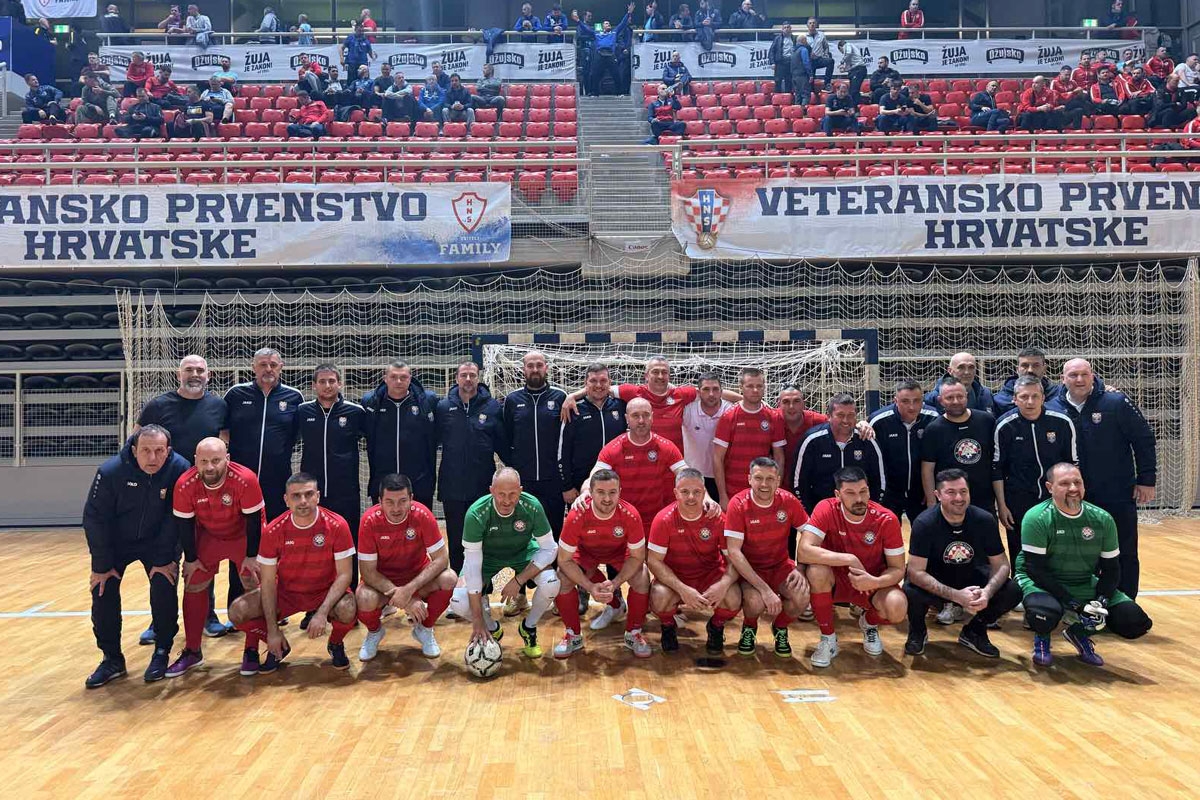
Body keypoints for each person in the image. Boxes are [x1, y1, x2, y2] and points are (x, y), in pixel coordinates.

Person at [83, 425, 190, 688]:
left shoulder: (180, 469)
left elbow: (176, 516)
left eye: (159, 451)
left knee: (164, 584)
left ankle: (162, 651)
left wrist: (164, 559)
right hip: (116, 542)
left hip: (158, 541)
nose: (152, 458)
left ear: (168, 451)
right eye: (145, 451)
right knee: (103, 588)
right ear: (134, 450)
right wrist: (102, 565)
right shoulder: (111, 472)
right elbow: (95, 518)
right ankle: (111, 659)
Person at [1016, 463, 1153, 667]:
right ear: (1049, 487)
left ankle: (1078, 633)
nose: (1073, 488)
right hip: (1040, 581)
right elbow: (1036, 570)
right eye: (1064, 483)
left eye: (1077, 482)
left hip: (1082, 581)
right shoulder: (1036, 517)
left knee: (1135, 621)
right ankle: (1042, 638)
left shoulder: (1102, 519)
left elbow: (1112, 569)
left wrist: (1100, 602)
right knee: (1043, 614)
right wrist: (1077, 606)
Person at [1047, 359, 1155, 598]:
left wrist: (1147, 479)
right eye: (1073, 375)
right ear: (1062, 379)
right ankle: (1086, 601)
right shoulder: (1052, 407)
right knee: (1079, 550)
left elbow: (1144, 439)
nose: (1079, 380)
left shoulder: (1115, 402)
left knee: (1124, 548)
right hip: (1073, 496)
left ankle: (1125, 601)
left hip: (1116, 491)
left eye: (1084, 374)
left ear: (1093, 375)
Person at [229, 474, 358, 672]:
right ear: (286, 500)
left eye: (309, 494)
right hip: (286, 593)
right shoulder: (273, 530)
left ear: (318, 496)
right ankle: (278, 645)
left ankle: (336, 644)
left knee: (349, 608)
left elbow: (345, 575)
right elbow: (268, 582)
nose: (303, 501)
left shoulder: (337, 525)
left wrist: (322, 613)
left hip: (323, 592)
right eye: (296, 496)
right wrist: (272, 631)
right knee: (237, 610)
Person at [165, 438, 265, 678]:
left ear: (227, 459)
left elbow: (254, 522)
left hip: (244, 534)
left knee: (253, 582)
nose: (209, 467)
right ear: (195, 461)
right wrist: (191, 559)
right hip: (210, 534)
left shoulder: (246, 479)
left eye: (216, 460)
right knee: (193, 580)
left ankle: (251, 649)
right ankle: (192, 651)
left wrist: (252, 556)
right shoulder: (184, 484)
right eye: (204, 461)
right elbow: (185, 526)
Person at [904, 469, 1022, 657]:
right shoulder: (925, 523)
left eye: (963, 491)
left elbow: (1001, 565)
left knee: (1012, 590)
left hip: (971, 577)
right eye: (951, 492)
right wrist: (956, 596)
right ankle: (917, 631)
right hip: (937, 578)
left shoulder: (984, 519)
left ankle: (975, 631)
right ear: (938, 495)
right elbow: (915, 572)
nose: (958, 498)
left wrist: (987, 592)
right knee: (911, 590)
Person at [798, 467, 907, 667]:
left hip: (870, 580)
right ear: (838, 495)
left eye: (863, 491)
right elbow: (804, 551)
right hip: (836, 579)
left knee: (898, 607)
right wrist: (849, 559)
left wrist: (875, 581)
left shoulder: (887, 519)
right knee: (816, 571)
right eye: (850, 493)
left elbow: (898, 569)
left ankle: (869, 623)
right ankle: (828, 639)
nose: (859, 499)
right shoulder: (826, 508)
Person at [448, 468, 561, 659]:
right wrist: (477, 620)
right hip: (486, 557)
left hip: (523, 552)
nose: (507, 501)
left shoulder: (532, 506)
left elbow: (550, 549)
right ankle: (491, 628)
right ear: (491, 490)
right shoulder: (476, 513)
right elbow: (473, 567)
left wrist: (518, 580)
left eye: (513, 494)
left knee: (552, 582)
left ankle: (529, 627)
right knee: (458, 601)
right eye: (501, 494)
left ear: (521, 491)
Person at [553, 469, 653, 658]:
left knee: (642, 576)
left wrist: (615, 583)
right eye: (600, 492)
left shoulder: (630, 514)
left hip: (619, 552)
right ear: (590, 492)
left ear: (620, 492)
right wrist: (590, 587)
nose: (607, 499)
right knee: (562, 578)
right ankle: (573, 636)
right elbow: (564, 560)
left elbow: (637, 557)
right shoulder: (577, 514)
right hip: (586, 553)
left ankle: (633, 633)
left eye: (612, 492)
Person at [356, 473, 457, 660]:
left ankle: (424, 629)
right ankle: (374, 632)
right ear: (379, 501)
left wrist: (409, 590)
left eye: (402, 501)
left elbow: (442, 559)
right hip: (383, 583)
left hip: (416, 578)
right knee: (363, 597)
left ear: (411, 499)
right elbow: (367, 572)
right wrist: (405, 600)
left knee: (449, 578)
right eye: (389, 502)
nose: (396, 508)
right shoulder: (369, 521)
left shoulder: (422, 515)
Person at [647, 469, 740, 655]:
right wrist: (682, 589)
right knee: (658, 596)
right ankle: (668, 626)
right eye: (685, 492)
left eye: (697, 492)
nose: (691, 497)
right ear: (676, 493)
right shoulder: (663, 519)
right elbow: (654, 562)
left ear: (704, 492)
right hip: (676, 577)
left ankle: (716, 626)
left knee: (734, 596)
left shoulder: (718, 518)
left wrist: (723, 585)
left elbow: (735, 560)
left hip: (710, 575)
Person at [724, 458, 810, 658]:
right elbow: (734, 552)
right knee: (755, 602)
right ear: (749, 479)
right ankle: (749, 628)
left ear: (778, 480)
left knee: (802, 596)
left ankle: (780, 627)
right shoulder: (738, 504)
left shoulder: (788, 500)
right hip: (750, 569)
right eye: (758, 478)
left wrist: (801, 568)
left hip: (780, 566)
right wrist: (765, 590)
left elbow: (810, 534)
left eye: (770, 479)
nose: (764, 484)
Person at [560, 355, 726, 454]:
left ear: (669, 375)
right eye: (655, 372)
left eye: (664, 372)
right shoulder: (633, 392)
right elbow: (600, 388)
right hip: (641, 461)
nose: (660, 376)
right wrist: (572, 396)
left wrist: (740, 399)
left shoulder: (681, 394)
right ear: (646, 375)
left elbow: (711, 392)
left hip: (672, 462)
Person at [993, 376, 1078, 565]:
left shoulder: (1062, 422)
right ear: (1015, 399)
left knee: (1057, 551)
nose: (1030, 402)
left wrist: (1072, 498)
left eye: (1035, 396)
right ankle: (1022, 584)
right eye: (1024, 397)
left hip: (1055, 498)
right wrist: (1002, 505)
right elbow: (997, 469)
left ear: (1043, 397)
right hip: (1018, 500)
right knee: (1021, 554)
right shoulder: (1004, 426)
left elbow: (1072, 465)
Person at [435, 362, 509, 572]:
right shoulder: (443, 407)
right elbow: (430, 442)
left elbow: (503, 446)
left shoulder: (492, 407)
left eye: (472, 375)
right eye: (464, 375)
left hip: (482, 487)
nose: (468, 379)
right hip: (452, 488)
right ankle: (459, 585)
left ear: (478, 378)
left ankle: (485, 587)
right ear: (456, 378)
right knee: (456, 541)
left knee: (484, 539)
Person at [298, 365, 366, 585]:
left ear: (340, 383)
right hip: (312, 494)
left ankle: (350, 592)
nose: (327, 386)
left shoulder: (356, 412)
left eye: (331, 381)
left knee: (348, 543)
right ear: (314, 385)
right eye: (322, 381)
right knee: (314, 544)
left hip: (346, 492)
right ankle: (314, 594)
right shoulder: (303, 412)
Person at [224, 347, 303, 522]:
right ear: (253, 367)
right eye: (263, 365)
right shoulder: (236, 393)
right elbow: (223, 429)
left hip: (278, 476)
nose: (268, 369)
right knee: (239, 521)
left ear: (281, 367)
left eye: (273, 365)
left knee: (275, 521)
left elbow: (297, 434)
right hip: (239, 475)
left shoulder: (294, 396)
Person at [502, 351, 567, 556]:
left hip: (553, 480)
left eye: (539, 365)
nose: (535, 369)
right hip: (524, 482)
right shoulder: (512, 400)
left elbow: (567, 438)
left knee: (554, 531)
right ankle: (525, 572)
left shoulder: (560, 397)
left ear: (546, 368)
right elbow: (506, 438)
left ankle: (552, 571)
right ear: (524, 369)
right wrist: (515, 466)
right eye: (530, 366)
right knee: (522, 531)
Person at [361, 360, 438, 509]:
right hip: (383, 483)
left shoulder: (427, 401)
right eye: (393, 377)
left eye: (403, 377)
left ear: (410, 379)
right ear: (385, 379)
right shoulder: (371, 402)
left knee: (419, 523)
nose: (398, 381)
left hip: (419, 483)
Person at [793, 393, 885, 512]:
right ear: (829, 416)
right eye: (840, 415)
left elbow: (880, 482)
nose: (846, 420)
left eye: (851, 415)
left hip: (859, 512)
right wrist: (811, 513)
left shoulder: (868, 441)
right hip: (822, 513)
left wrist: (871, 511)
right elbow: (799, 483)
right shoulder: (812, 441)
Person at [713, 368, 786, 509]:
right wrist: (722, 496)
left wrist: (776, 488)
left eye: (759, 386)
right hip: (733, 491)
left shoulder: (774, 417)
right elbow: (718, 458)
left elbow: (779, 458)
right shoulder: (728, 417)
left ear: (764, 387)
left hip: (763, 490)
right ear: (741, 387)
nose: (755, 390)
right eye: (750, 386)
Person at [921, 377, 996, 514]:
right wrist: (931, 502)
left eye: (960, 397)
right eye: (950, 398)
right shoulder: (933, 430)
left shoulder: (987, 421)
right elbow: (927, 469)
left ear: (966, 396)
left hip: (984, 499)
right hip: (950, 501)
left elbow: (995, 461)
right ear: (940, 400)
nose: (956, 401)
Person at [869, 379, 938, 524]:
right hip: (889, 493)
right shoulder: (879, 421)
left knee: (925, 532)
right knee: (888, 533)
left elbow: (940, 457)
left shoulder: (933, 418)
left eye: (916, 401)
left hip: (922, 492)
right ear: (895, 401)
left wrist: (932, 489)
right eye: (905, 401)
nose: (912, 407)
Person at [558, 362, 626, 506]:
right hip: (581, 484)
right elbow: (563, 450)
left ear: (610, 383)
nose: (598, 385)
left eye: (603, 380)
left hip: (616, 482)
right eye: (593, 381)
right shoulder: (574, 409)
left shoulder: (621, 406)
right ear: (585, 383)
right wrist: (567, 486)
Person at [682, 373, 733, 500]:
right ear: (698, 392)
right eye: (706, 389)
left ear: (721, 392)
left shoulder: (730, 410)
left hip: (725, 474)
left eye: (715, 389)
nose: (711, 394)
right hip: (695, 474)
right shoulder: (687, 410)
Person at [575, 5, 635, 98]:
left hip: (611, 54)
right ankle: (594, 93)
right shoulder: (597, 33)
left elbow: (622, 23)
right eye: (606, 23)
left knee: (616, 74)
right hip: (600, 54)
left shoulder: (614, 32)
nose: (608, 24)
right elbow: (586, 29)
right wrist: (578, 21)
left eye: (609, 23)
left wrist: (628, 13)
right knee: (595, 74)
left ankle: (620, 93)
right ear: (603, 26)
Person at [776, 386, 827, 486]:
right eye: (786, 402)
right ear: (778, 404)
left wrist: (859, 427)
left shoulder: (820, 422)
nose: (791, 406)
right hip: (779, 488)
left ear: (804, 403)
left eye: (796, 401)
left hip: (810, 487)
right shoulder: (771, 421)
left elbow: (842, 426)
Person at [993, 346, 1057, 416]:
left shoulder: (1056, 396)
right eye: (1025, 365)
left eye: (1036, 365)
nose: (1030, 370)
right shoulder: (999, 400)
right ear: (1017, 369)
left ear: (1044, 369)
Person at [925, 352, 994, 413]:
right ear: (950, 371)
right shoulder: (933, 398)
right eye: (961, 367)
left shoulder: (986, 395)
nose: (967, 372)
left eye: (971, 367)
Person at [1050, 65, 1090, 130]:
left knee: (1080, 109)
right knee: (1079, 103)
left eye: (1069, 75)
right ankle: (1090, 113)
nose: (1068, 77)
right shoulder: (1054, 82)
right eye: (1066, 75)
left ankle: (1077, 131)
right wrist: (1072, 93)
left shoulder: (1073, 82)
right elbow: (1053, 97)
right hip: (1060, 107)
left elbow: (1077, 92)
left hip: (1070, 107)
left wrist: (1080, 93)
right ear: (1060, 73)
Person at [837, 39, 869, 106]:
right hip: (855, 70)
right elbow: (850, 66)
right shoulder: (850, 56)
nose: (842, 53)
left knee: (854, 91)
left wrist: (841, 62)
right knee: (852, 91)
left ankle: (854, 106)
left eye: (841, 51)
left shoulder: (847, 45)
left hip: (858, 70)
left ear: (840, 47)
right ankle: (855, 106)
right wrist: (844, 69)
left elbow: (848, 53)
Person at [805, 18, 834, 91]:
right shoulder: (804, 37)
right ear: (807, 25)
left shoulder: (821, 35)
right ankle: (812, 92)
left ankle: (827, 84)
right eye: (810, 23)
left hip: (819, 59)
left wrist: (825, 55)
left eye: (813, 23)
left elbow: (826, 47)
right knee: (811, 82)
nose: (812, 24)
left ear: (816, 25)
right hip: (810, 61)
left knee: (830, 61)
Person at [769, 24, 795, 94]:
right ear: (782, 29)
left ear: (790, 29)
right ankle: (777, 97)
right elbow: (772, 51)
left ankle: (788, 98)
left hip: (790, 62)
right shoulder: (778, 38)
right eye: (784, 28)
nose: (786, 29)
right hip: (780, 62)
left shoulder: (794, 38)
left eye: (788, 27)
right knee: (778, 81)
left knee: (789, 81)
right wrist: (772, 62)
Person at [790, 34, 813, 107]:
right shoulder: (804, 50)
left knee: (797, 95)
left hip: (794, 76)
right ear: (803, 40)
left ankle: (797, 112)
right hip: (802, 76)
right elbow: (806, 62)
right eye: (806, 40)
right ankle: (804, 112)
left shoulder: (793, 51)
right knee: (805, 95)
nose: (807, 42)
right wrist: (810, 74)